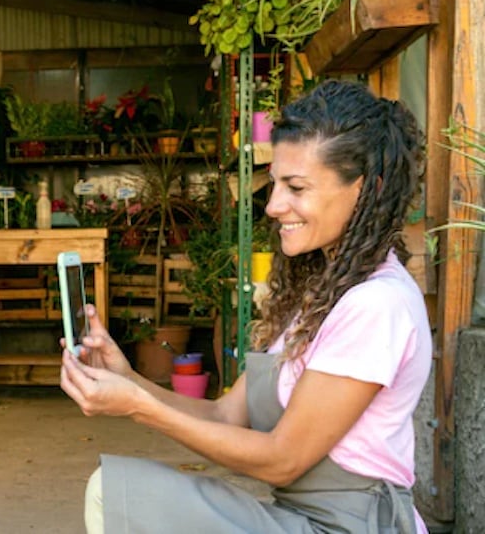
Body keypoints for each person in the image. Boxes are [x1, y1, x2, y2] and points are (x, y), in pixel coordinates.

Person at [60, 79, 431, 533]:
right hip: (298, 518)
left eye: (296, 187)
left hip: (350, 528)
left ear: (365, 189)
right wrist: (127, 380)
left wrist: (137, 406)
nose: (273, 206)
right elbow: (223, 415)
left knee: (115, 495)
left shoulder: (377, 304)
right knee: (121, 493)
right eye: (274, 184)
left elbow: (283, 460)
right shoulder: (321, 293)